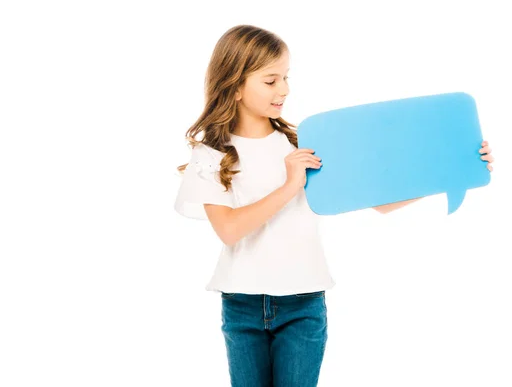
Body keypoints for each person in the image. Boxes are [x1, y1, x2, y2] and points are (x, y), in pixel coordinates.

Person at [174, 24, 495, 387]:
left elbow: (379, 204)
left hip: (303, 303)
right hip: (241, 305)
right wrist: (290, 185)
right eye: (270, 80)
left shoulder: (305, 145)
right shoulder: (212, 155)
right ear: (234, 86)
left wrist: (456, 167)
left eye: (286, 78)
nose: (284, 89)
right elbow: (229, 230)